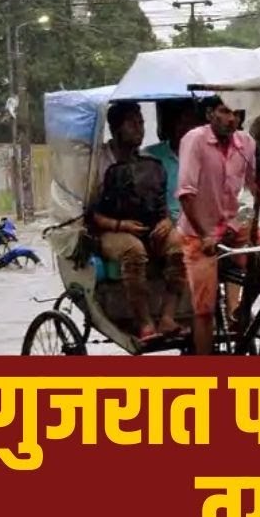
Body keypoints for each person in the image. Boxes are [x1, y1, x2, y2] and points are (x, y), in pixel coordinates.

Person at [177, 96, 260, 355]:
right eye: (225, 111)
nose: (232, 119)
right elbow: (186, 193)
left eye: (237, 114)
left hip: (233, 224)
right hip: (198, 232)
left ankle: (242, 312)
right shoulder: (195, 140)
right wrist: (204, 235)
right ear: (210, 114)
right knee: (205, 309)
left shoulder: (246, 143)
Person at [88, 102, 188, 342]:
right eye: (132, 123)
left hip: (149, 226)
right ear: (115, 128)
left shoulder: (149, 161)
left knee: (180, 245)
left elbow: (160, 200)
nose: (139, 128)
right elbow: (89, 213)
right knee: (134, 250)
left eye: (141, 123)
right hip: (109, 229)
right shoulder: (99, 161)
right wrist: (121, 226)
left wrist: (166, 221)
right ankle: (144, 323)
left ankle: (167, 317)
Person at [143, 102, 203, 223]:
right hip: (162, 222)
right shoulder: (150, 155)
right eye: (181, 123)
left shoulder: (207, 156)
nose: (186, 129)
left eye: (191, 124)